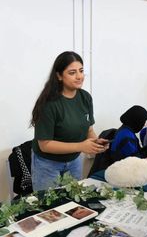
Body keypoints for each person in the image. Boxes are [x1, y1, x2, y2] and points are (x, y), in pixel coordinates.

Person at [30, 51, 108, 191]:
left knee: (73, 202)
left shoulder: (85, 98)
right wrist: (81, 146)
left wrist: (97, 143)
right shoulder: (49, 104)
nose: (79, 76)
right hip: (48, 165)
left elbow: (88, 129)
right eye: (72, 73)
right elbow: (45, 145)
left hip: (74, 161)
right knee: (49, 208)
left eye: (81, 71)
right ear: (59, 76)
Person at [88, 105, 147, 177]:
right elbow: (134, 162)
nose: (144, 124)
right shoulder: (127, 137)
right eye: (143, 121)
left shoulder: (124, 130)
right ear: (136, 120)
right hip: (119, 175)